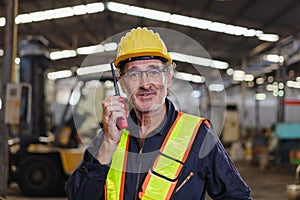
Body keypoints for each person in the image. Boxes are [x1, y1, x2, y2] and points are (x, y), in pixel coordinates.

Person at [65, 27, 251, 200]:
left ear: (168, 78)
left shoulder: (199, 135)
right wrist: (108, 144)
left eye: (154, 72)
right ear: (121, 83)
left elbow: (238, 196)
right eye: (134, 74)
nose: (145, 83)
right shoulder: (108, 136)